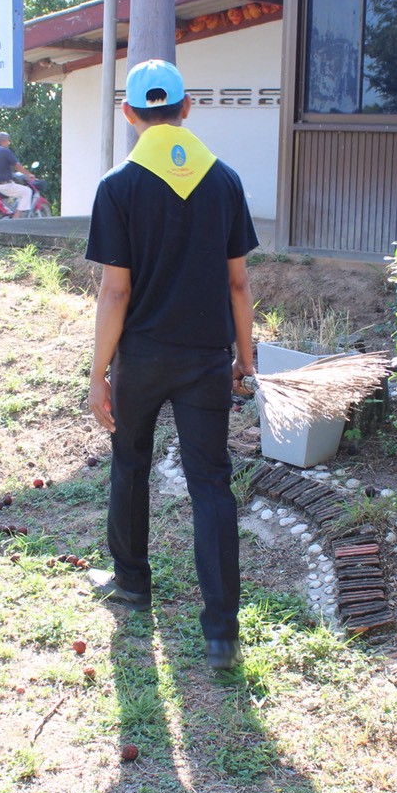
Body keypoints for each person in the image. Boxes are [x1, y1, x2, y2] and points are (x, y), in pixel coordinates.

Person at [84, 59, 258, 670]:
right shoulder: (225, 181)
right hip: (206, 358)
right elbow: (238, 285)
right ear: (187, 108)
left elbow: (115, 293)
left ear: (128, 114)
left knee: (130, 463)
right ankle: (222, 633)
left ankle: (132, 583)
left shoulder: (118, 187)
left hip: (142, 358)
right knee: (211, 483)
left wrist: (98, 373)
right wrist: (245, 358)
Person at [0, 132, 38, 217]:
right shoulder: (5, 151)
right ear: (3, 141)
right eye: (8, 141)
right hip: (3, 187)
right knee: (27, 191)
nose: (9, 143)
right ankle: (16, 218)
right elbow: (17, 166)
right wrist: (29, 174)